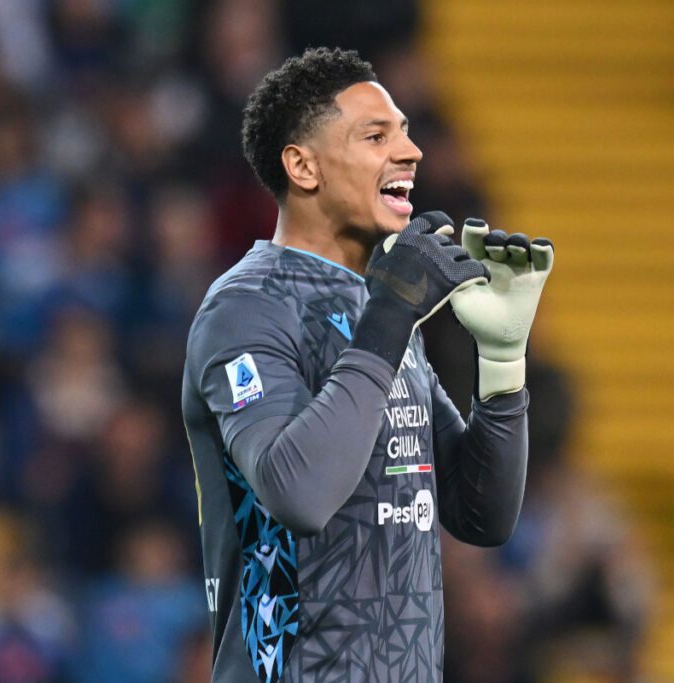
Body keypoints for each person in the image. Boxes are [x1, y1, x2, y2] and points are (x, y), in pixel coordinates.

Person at [181, 47, 554, 681]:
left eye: (405, 132)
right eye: (376, 135)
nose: (410, 152)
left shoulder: (378, 309)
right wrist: (391, 317)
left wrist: (501, 361)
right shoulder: (246, 309)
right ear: (303, 166)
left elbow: (478, 514)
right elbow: (297, 493)